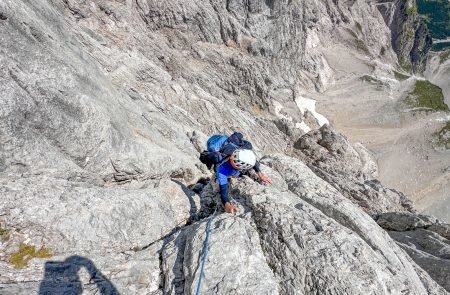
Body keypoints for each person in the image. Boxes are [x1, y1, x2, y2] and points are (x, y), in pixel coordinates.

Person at [215, 148, 272, 214]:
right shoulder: (222, 172)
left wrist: (260, 174)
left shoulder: (238, 152)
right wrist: (227, 205)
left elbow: (253, 161)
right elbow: (223, 191)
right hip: (223, 174)